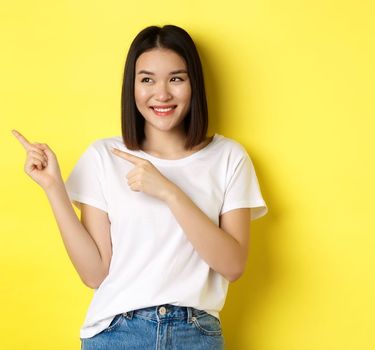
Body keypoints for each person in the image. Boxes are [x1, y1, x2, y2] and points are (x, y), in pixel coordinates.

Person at [12, 24, 268, 349]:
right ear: (132, 87)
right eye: (147, 79)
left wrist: (168, 191)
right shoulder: (103, 156)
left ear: (194, 85)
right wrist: (53, 188)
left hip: (195, 335)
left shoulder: (228, 157)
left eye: (176, 78)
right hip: (117, 334)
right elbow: (94, 274)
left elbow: (233, 266)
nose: (161, 94)